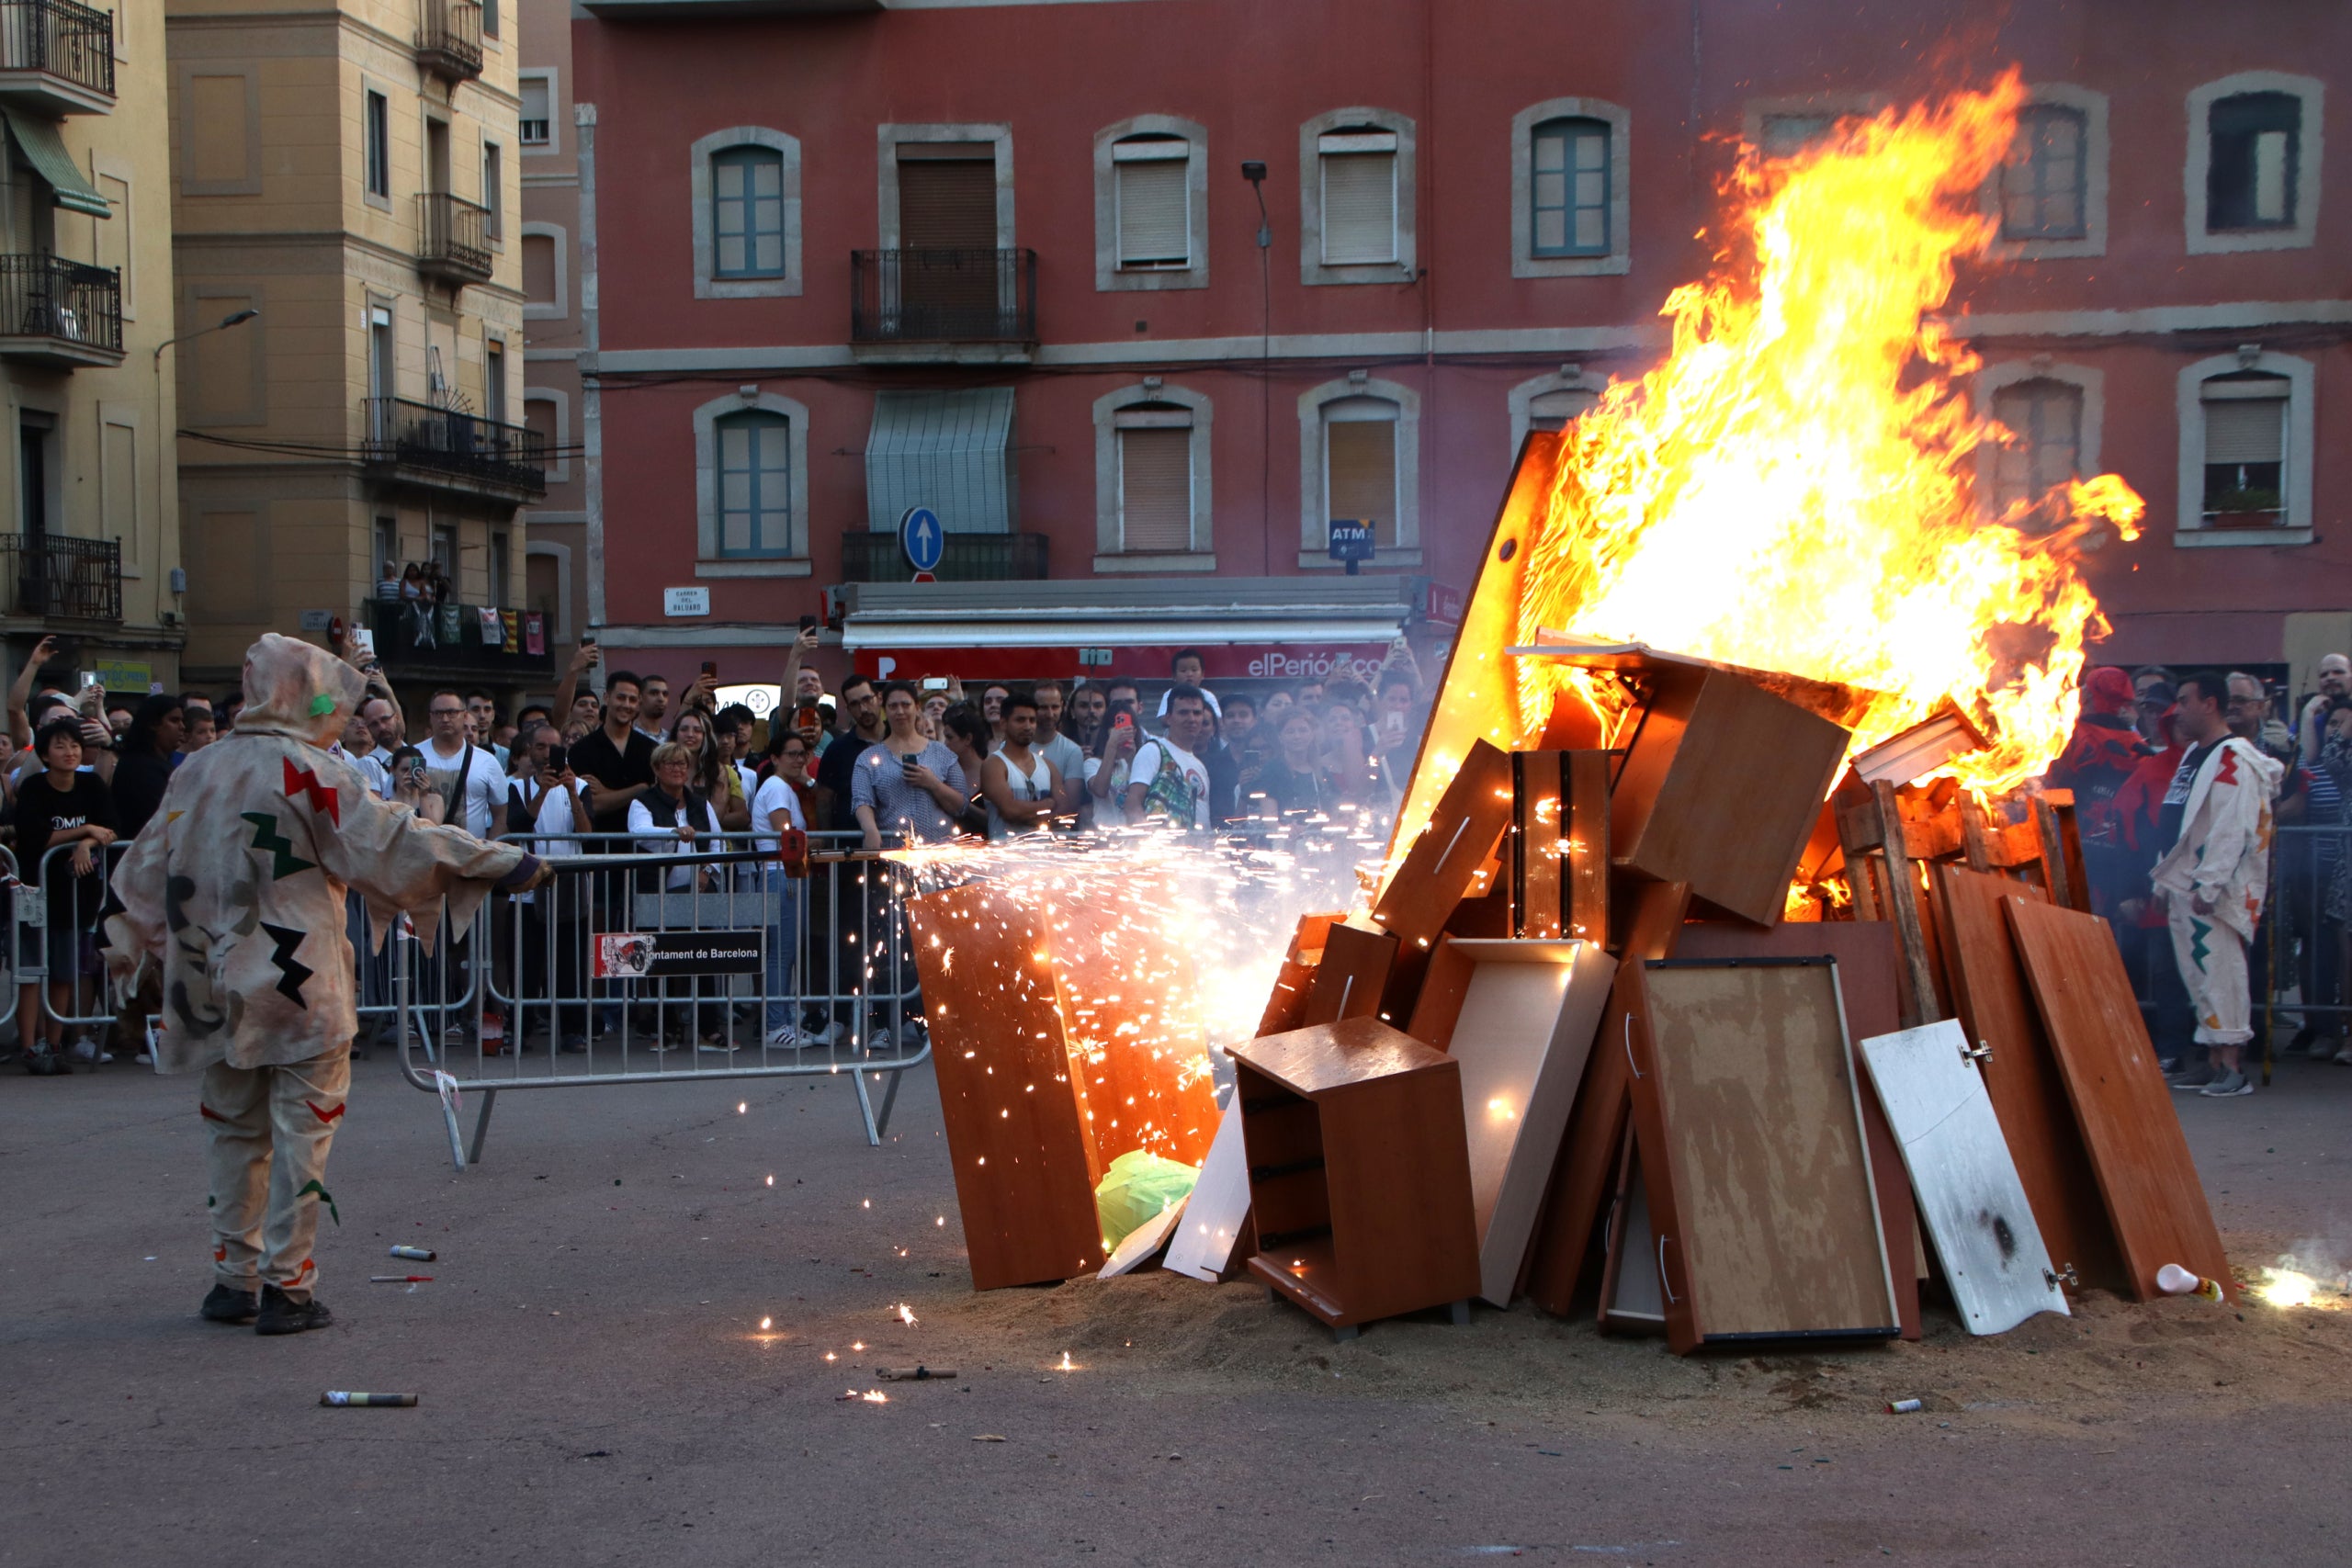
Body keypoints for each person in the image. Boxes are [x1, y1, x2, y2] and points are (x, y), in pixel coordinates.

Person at [104, 634, 544, 1333]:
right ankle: (288, 1285)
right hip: (296, 980)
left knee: (231, 1131)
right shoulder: (308, 771)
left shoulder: (198, 770)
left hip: (212, 978)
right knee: (302, 1132)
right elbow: (387, 840)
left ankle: (232, 1276)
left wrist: (136, 951)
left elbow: (145, 865)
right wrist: (494, 859)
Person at [2152, 671, 2281, 1099]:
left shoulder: (2234, 758)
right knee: (2199, 975)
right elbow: (2180, 818)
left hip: (2216, 892)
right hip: (2185, 885)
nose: (2178, 710)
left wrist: (2209, 886)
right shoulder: (2194, 753)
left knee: (2221, 971)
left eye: (2185, 700)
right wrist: (2165, 873)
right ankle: (2211, 1062)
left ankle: (2231, 1068)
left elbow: (2231, 828)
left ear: (2209, 703)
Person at [15, 717, 117, 1072]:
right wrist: (84, 829)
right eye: (60, 746)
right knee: (30, 970)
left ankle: (55, 1044)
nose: (69, 752)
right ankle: (29, 1047)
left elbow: (109, 829)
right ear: (44, 754)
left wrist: (86, 844)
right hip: (34, 891)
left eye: (74, 745)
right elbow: (36, 837)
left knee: (63, 970)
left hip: (77, 895)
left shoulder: (91, 785)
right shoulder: (32, 789)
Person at [628, 740, 730, 1051]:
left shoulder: (700, 802)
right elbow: (640, 833)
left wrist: (706, 871)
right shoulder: (642, 801)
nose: (677, 769)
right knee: (664, 960)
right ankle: (668, 1028)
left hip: (700, 891)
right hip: (661, 892)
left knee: (706, 957)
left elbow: (717, 841)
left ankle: (709, 1029)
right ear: (657, 769)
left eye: (682, 764)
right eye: (670, 764)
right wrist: (673, 832)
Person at [2049, 666, 2147, 920]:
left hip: (2069, 850)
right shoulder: (2140, 747)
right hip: (2120, 859)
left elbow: (2048, 789)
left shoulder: (2071, 737)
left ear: (2090, 696)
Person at [752, 728, 816, 1046]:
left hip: (789, 873)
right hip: (781, 874)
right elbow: (787, 834)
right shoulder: (776, 787)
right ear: (774, 758)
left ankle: (785, 1019)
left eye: (802, 754)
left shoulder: (784, 787)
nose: (798, 759)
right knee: (781, 953)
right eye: (791, 754)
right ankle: (776, 1025)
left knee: (787, 953)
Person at [570, 671, 657, 847]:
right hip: (598, 851)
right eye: (621, 697)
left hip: (643, 853)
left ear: (639, 704)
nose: (626, 705)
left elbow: (656, 800)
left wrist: (607, 793)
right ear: (607, 698)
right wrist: (640, 789)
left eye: (632, 700)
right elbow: (592, 805)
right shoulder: (581, 750)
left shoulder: (651, 749)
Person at [1125, 685, 1213, 829]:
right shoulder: (1153, 751)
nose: (1191, 719)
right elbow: (1132, 804)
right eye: (1183, 713)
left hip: (1197, 848)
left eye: (1197, 713)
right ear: (1168, 717)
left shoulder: (1200, 767)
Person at [982, 687, 1061, 839]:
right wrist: (1048, 804)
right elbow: (1010, 811)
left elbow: (1064, 810)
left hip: (1043, 857)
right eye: (1020, 720)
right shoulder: (993, 765)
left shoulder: (1048, 766)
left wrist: (1026, 812)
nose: (1027, 726)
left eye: (1032, 720)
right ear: (1004, 723)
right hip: (1005, 858)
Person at [111, 694, 186, 841]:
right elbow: (159, 816)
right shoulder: (138, 767)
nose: (182, 727)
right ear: (154, 724)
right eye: (174, 720)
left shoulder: (161, 762)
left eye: (181, 720)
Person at [1248, 706, 1337, 821]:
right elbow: (1270, 820)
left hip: (1320, 836)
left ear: (1312, 734)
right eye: (1290, 731)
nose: (1297, 736)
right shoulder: (1271, 770)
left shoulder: (1322, 771)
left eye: (1303, 730)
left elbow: (1335, 811)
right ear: (1280, 736)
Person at [672, 707, 750, 832]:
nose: (690, 734)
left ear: (705, 736)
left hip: (710, 843)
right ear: (675, 734)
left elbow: (715, 815)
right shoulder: (663, 767)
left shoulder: (719, 771)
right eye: (684, 729)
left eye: (697, 730)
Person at [1031, 680, 1086, 824]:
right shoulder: (1009, 747)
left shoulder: (1072, 751)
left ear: (1062, 706)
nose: (1050, 714)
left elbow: (1070, 807)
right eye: (1043, 708)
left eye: (1055, 707)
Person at [937, 704, 992, 837]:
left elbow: (995, 820)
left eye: (950, 737)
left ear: (968, 739)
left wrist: (964, 804)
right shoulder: (944, 772)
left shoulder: (991, 771)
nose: (946, 743)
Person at [636, 673, 672, 741]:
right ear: (640, 697)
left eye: (665, 694)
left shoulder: (670, 739)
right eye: (654, 693)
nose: (661, 699)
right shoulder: (629, 735)